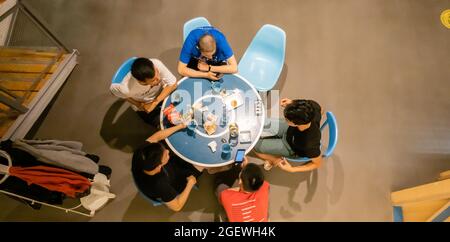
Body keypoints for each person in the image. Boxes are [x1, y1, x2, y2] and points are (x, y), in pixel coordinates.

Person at [131, 123, 203, 212]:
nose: (168, 151)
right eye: (165, 155)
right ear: (159, 166)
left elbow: (157, 137)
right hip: (174, 180)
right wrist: (190, 184)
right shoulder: (160, 185)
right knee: (201, 164)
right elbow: (177, 207)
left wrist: (180, 126)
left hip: (168, 169)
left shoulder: (141, 153)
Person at [253, 98, 324, 173]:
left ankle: (274, 160)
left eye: (287, 119)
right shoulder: (312, 107)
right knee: (261, 122)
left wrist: (292, 169)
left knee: (256, 146)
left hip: (291, 147)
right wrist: (292, 103)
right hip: (289, 129)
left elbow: (317, 164)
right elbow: (321, 109)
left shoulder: (309, 144)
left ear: (295, 123)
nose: (285, 119)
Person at [110, 57, 177, 126]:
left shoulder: (156, 63)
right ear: (141, 82)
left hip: (160, 94)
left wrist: (155, 102)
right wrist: (139, 105)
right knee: (166, 125)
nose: (159, 79)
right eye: (153, 80)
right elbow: (114, 92)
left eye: (157, 73)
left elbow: (173, 84)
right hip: (145, 105)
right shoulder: (125, 89)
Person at [215, 156, 270, 222]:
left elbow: (223, 193)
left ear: (240, 181)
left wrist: (244, 168)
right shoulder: (265, 187)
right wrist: (246, 168)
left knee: (220, 187)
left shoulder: (226, 196)